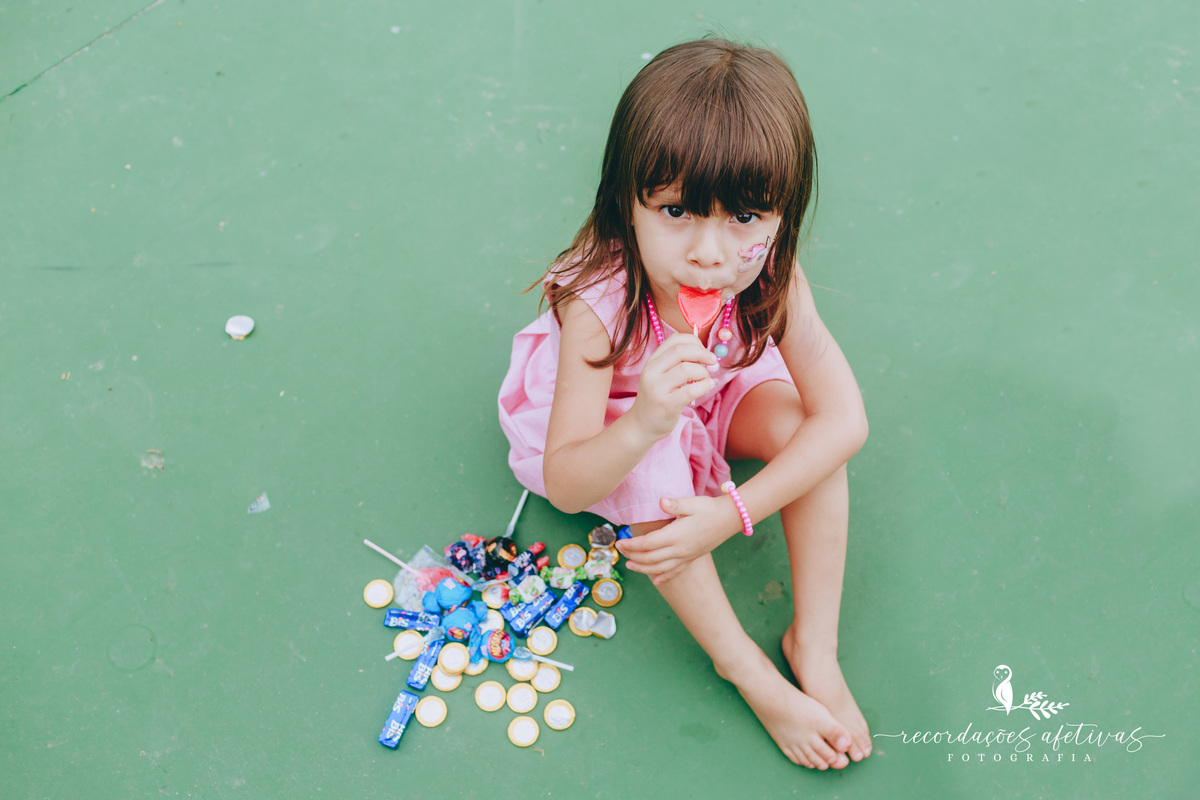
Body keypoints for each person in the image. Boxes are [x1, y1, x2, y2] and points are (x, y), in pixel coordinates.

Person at [497, 38, 871, 770]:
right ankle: (752, 674)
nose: (707, 253)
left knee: (805, 432)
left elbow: (844, 422)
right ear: (624, 204)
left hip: (714, 388)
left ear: (781, 215)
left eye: (745, 219)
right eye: (675, 211)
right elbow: (568, 480)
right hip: (618, 422)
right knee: (660, 488)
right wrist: (644, 424)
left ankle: (813, 646)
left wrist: (733, 514)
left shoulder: (770, 275)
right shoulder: (599, 304)